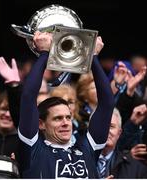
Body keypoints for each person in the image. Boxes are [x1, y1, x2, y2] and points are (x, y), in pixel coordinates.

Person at [17, 32, 114, 178]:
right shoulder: (33, 149)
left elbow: (107, 103)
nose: (65, 123)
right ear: (41, 124)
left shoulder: (88, 148)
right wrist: (44, 53)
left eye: (68, 117)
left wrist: (92, 56)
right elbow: (28, 97)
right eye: (57, 118)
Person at [97, 108, 147, 178]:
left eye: (111, 126)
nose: (106, 130)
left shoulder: (137, 168)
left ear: (119, 133)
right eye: (101, 125)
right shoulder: (77, 161)